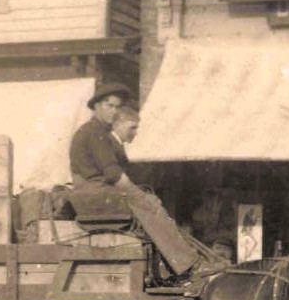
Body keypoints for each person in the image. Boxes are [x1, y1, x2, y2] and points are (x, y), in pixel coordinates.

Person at [69, 80, 212, 280]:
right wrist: (140, 196)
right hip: (95, 193)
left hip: (97, 193)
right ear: (96, 107)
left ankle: (175, 264)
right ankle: (187, 264)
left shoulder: (99, 133)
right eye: (109, 106)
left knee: (150, 201)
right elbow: (114, 176)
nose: (114, 111)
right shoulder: (94, 133)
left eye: (117, 107)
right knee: (149, 206)